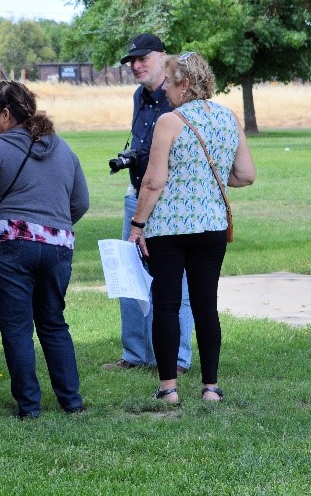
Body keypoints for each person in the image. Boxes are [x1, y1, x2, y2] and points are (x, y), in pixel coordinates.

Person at [128, 51, 255, 404]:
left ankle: (168, 388)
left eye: (169, 81)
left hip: (168, 229)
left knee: (166, 306)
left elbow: (153, 182)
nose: (165, 88)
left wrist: (137, 224)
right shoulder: (229, 117)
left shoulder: (170, 121)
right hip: (212, 227)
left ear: (183, 83)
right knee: (205, 306)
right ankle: (210, 387)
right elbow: (245, 174)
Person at [0, 81, 89, 419]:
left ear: (5, 114)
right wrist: (54, 225)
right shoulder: (64, 149)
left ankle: (29, 406)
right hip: (58, 245)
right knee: (53, 323)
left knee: (17, 328)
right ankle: (71, 401)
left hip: (11, 246)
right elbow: (81, 203)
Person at [103, 33, 194, 375]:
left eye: (143, 58)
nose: (136, 66)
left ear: (162, 57)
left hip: (171, 202)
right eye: (132, 61)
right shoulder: (138, 97)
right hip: (137, 196)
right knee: (128, 276)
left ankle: (178, 359)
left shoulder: (179, 96)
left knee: (174, 281)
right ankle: (134, 354)